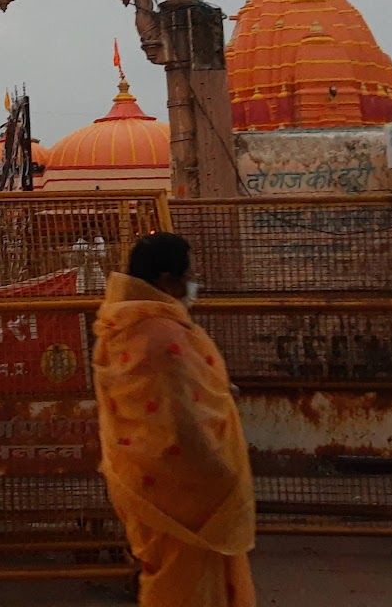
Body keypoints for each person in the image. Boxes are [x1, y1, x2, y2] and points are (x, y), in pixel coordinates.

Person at [92, 232, 255, 606]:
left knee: (164, 571)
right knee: (190, 581)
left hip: (140, 480)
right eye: (189, 275)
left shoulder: (119, 326)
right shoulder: (164, 337)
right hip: (184, 488)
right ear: (167, 280)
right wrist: (223, 475)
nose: (193, 284)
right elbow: (183, 423)